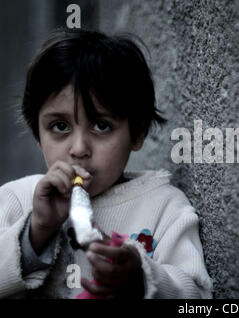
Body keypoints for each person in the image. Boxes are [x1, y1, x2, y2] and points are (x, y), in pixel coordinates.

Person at [0, 28, 213, 299]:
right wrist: (36, 233)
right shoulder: (18, 200)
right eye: (60, 126)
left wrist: (140, 280)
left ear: (137, 133)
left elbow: (197, 297)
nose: (78, 149)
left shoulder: (164, 207)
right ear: (38, 137)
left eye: (101, 125)